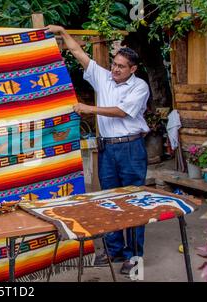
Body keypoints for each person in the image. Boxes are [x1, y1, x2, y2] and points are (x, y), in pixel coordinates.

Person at [46, 25, 150, 275]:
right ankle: (114, 251)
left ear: (132, 69)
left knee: (133, 203)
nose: (115, 68)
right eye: (114, 63)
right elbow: (79, 54)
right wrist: (62, 31)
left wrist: (89, 109)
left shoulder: (140, 87)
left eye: (121, 66)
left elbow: (122, 112)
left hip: (131, 149)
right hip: (107, 150)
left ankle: (134, 257)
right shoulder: (104, 77)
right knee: (109, 201)